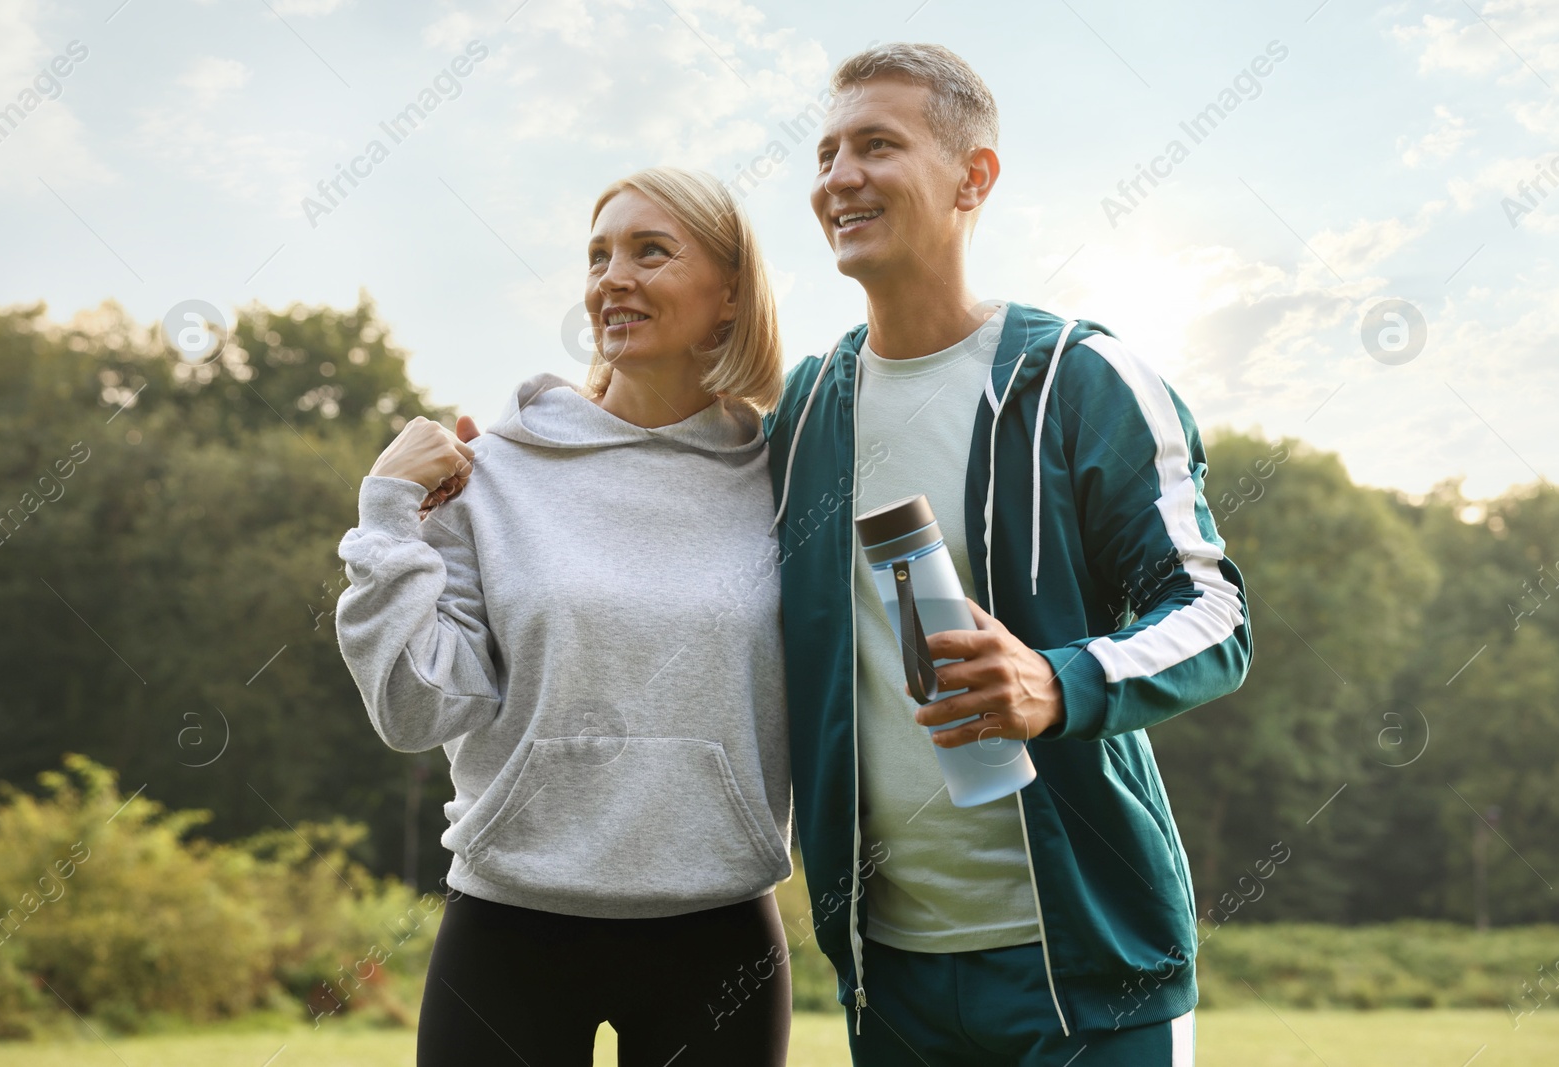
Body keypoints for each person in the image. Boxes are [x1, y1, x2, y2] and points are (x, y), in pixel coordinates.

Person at [763, 43, 1252, 1066]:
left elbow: (1212, 615)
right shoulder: (803, 411)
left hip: (1091, 973)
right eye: (825, 154)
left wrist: (1055, 679)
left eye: (876, 145)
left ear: (972, 177)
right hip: (887, 973)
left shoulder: (1083, 379)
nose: (838, 178)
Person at [335, 167, 795, 1067]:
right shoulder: (493, 470)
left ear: (732, 295)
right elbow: (413, 709)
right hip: (512, 927)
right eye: (597, 256)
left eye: (649, 251)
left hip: (719, 930)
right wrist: (387, 509)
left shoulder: (790, 476)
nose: (610, 279)